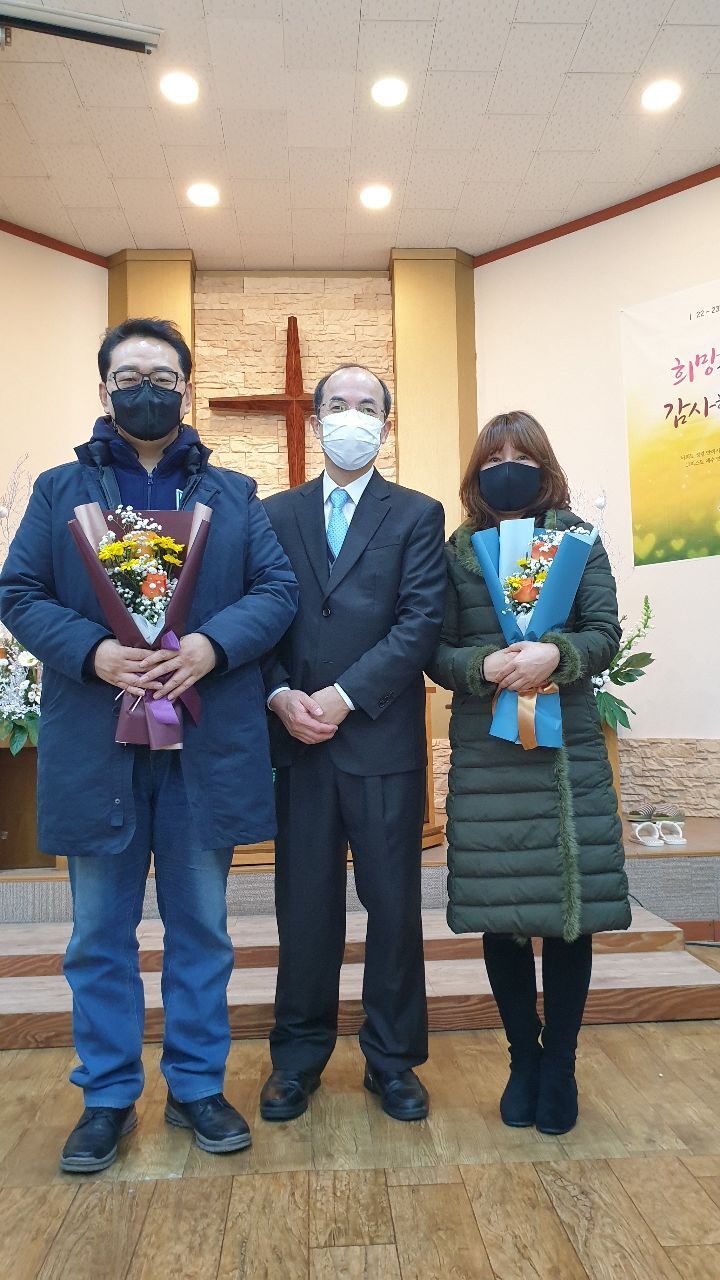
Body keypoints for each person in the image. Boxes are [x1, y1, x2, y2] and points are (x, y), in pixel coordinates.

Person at [0, 317, 298, 1172]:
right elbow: (18, 591)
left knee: (202, 928)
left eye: (162, 377)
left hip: (203, 740)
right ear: (103, 390)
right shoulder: (61, 491)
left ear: (185, 390)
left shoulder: (232, 494)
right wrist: (95, 652)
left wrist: (209, 646)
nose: (146, 390)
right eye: (129, 376)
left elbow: (276, 590)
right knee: (99, 934)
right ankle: (105, 1097)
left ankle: (197, 1086)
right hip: (99, 742)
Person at [427, 410, 630, 1136]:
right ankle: (523, 1059)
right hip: (489, 753)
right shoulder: (456, 552)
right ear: (475, 473)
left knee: (568, 919)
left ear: (544, 466)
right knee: (503, 909)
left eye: (520, 456)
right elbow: (434, 648)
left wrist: (557, 654)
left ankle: (561, 1064)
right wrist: (480, 666)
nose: (506, 468)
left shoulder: (578, 541)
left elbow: (603, 633)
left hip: (564, 751)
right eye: (493, 459)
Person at [259, 363, 446, 1123]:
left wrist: (341, 696)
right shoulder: (274, 514)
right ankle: (296, 1059)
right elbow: (255, 617)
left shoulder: (418, 514)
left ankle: (393, 1061)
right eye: (337, 404)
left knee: (394, 909)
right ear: (315, 421)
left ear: (385, 425)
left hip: (380, 741)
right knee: (304, 909)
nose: (351, 416)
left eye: (366, 406)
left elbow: (420, 623)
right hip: (297, 740)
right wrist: (278, 694)